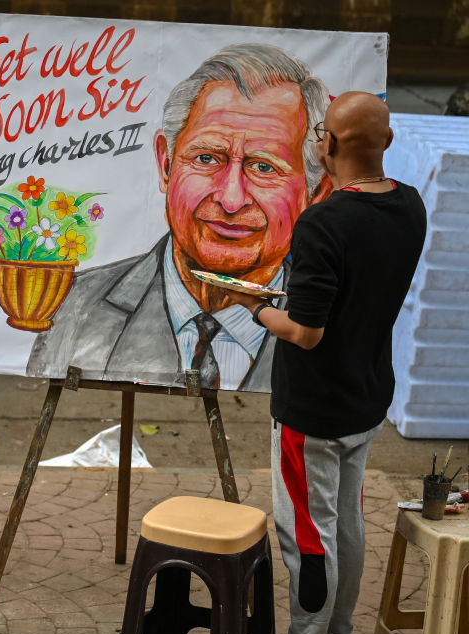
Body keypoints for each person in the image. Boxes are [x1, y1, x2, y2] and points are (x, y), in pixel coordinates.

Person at [225, 93, 426, 634]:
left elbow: (306, 333)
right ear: (386, 143)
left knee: (310, 538)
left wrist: (252, 307)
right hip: (365, 396)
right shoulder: (409, 207)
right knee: (347, 525)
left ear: (326, 146)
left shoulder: (325, 222)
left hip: (312, 410)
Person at [28, 43, 332, 391]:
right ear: (166, 164)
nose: (231, 200)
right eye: (206, 158)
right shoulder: (74, 307)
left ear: (316, 191)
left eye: (264, 167)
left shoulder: (333, 322)